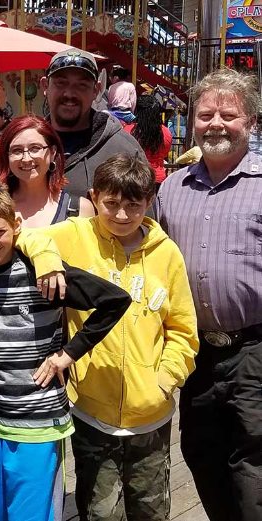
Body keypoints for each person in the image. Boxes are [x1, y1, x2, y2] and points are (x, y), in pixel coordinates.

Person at [0, 184, 130, 521]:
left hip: (38, 419)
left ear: (17, 225)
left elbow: (115, 301)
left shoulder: (43, 272)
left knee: (31, 514)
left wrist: (68, 354)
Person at [42, 154, 199, 520]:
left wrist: (166, 379)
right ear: (94, 198)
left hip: (151, 415)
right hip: (92, 409)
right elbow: (27, 239)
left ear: (149, 201)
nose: (122, 216)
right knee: (99, 511)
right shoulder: (74, 235)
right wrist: (48, 260)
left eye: (133, 205)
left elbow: (183, 330)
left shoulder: (167, 254)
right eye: (111, 204)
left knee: (150, 508)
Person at [155, 68, 262, 521]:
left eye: (228, 114)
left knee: (254, 467)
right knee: (201, 454)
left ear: (251, 123)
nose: (215, 123)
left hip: (255, 350)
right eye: (205, 114)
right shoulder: (171, 188)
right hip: (193, 352)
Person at [40, 48, 145, 200]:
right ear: (45, 86)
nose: (69, 94)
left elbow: (142, 219)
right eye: (60, 83)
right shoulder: (26, 146)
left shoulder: (125, 150)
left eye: (81, 85)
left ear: (96, 90)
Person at [0, 114, 94, 226]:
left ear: (52, 152)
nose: (26, 159)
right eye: (17, 150)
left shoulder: (79, 210)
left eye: (35, 148)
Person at [123, 95, 172, 184]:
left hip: (135, 179)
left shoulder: (128, 131)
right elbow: (165, 153)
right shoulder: (166, 132)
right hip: (158, 179)